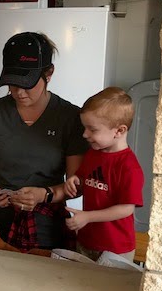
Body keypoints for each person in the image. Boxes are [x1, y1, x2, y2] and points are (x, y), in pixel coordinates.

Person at [0, 31, 88, 251]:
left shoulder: (70, 117)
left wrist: (45, 194)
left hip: (45, 225)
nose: (19, 92)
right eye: (12, 84)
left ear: (49, 73)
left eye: (27, 83)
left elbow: (76, 186)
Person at [55, 87, 144, 261]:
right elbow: (83, 178)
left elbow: (126, 208)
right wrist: (74, 180)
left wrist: (88, 217)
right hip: (87, 240)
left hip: (116, 247)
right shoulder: (92, 154)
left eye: (92, 129)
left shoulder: (129, 167)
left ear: (119, 131)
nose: (84, 134)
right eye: (85, 128)